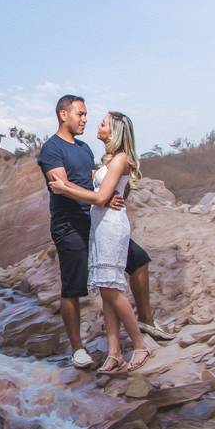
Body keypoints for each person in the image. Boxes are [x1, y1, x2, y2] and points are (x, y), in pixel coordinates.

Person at [48, 110, 152, 372]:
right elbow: (106, 192)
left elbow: (99, 197)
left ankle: (140, 345)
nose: (97, 124)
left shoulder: (120, 159)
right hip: (100, 225)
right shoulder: (108, 160)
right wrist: (110, 194)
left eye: (103, 123)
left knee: (110, 290)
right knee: (106, 290)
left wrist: (65, 189)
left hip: (111, 226)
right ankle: (114, 353)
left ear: (115, 130)